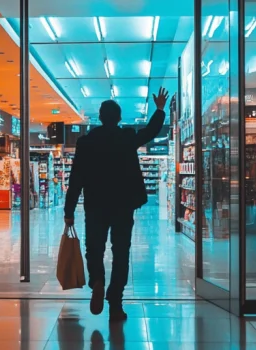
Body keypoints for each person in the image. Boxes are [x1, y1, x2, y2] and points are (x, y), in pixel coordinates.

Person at [64, 87, 169, 321]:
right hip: (123, 205)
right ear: (119, 118)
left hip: (95, 205)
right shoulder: (126, 137)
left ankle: (97, 281)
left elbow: (76, 177)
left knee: (94, 249)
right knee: (121, 252)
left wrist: (69, 210)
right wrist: (159, 108)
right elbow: (151, 131)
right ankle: (115, 303)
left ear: (100, 117)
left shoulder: (86, 142)